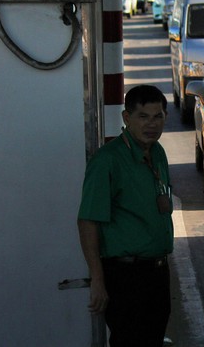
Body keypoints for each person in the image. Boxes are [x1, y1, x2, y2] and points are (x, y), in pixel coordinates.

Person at [77, 84, 173, 347]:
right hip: (126, 276)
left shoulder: (158, 153)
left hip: (157, 272)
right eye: (143, 117)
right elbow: (88, 221)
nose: (151, 125)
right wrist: (97, 279)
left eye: (158, 117)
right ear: (127, 118)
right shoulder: (107, 161)